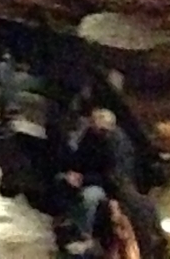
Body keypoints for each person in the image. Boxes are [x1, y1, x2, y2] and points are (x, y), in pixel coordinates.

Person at [58, 108, 141, 252]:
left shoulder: (119, 147)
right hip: (89, 176)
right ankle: (70, 219)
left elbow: (113, 177)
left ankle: (84, 234)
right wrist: (73, 172)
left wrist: (84, 179)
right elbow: (81, 156)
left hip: (109, 186)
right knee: (60, 179)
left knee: (89, 197)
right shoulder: (92, 133)